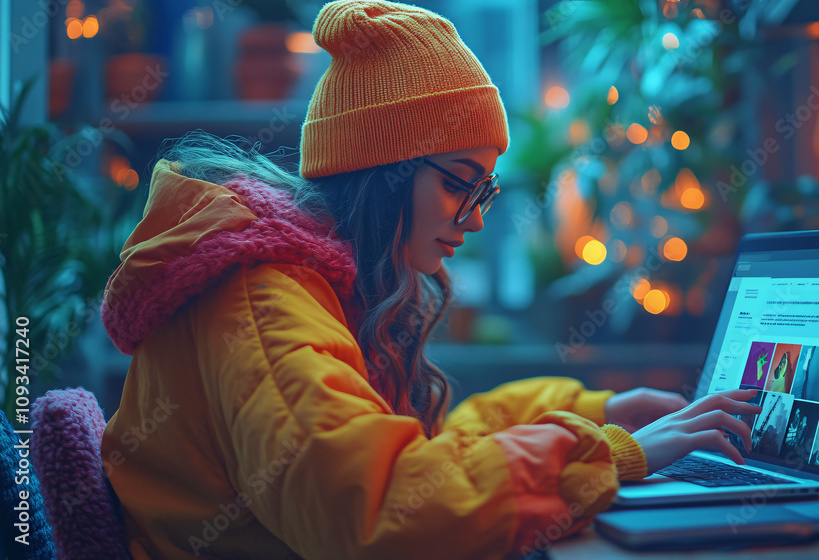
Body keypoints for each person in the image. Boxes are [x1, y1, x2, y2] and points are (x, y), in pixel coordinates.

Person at [99, 2, 761, 559]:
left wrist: (595, 414)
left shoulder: (307, 275)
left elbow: (422, 455)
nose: (472, 220)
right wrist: (605, 456)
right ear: (382, 170)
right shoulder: (265, 297)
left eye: (485, 190)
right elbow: (378, 509)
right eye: (456, 183)